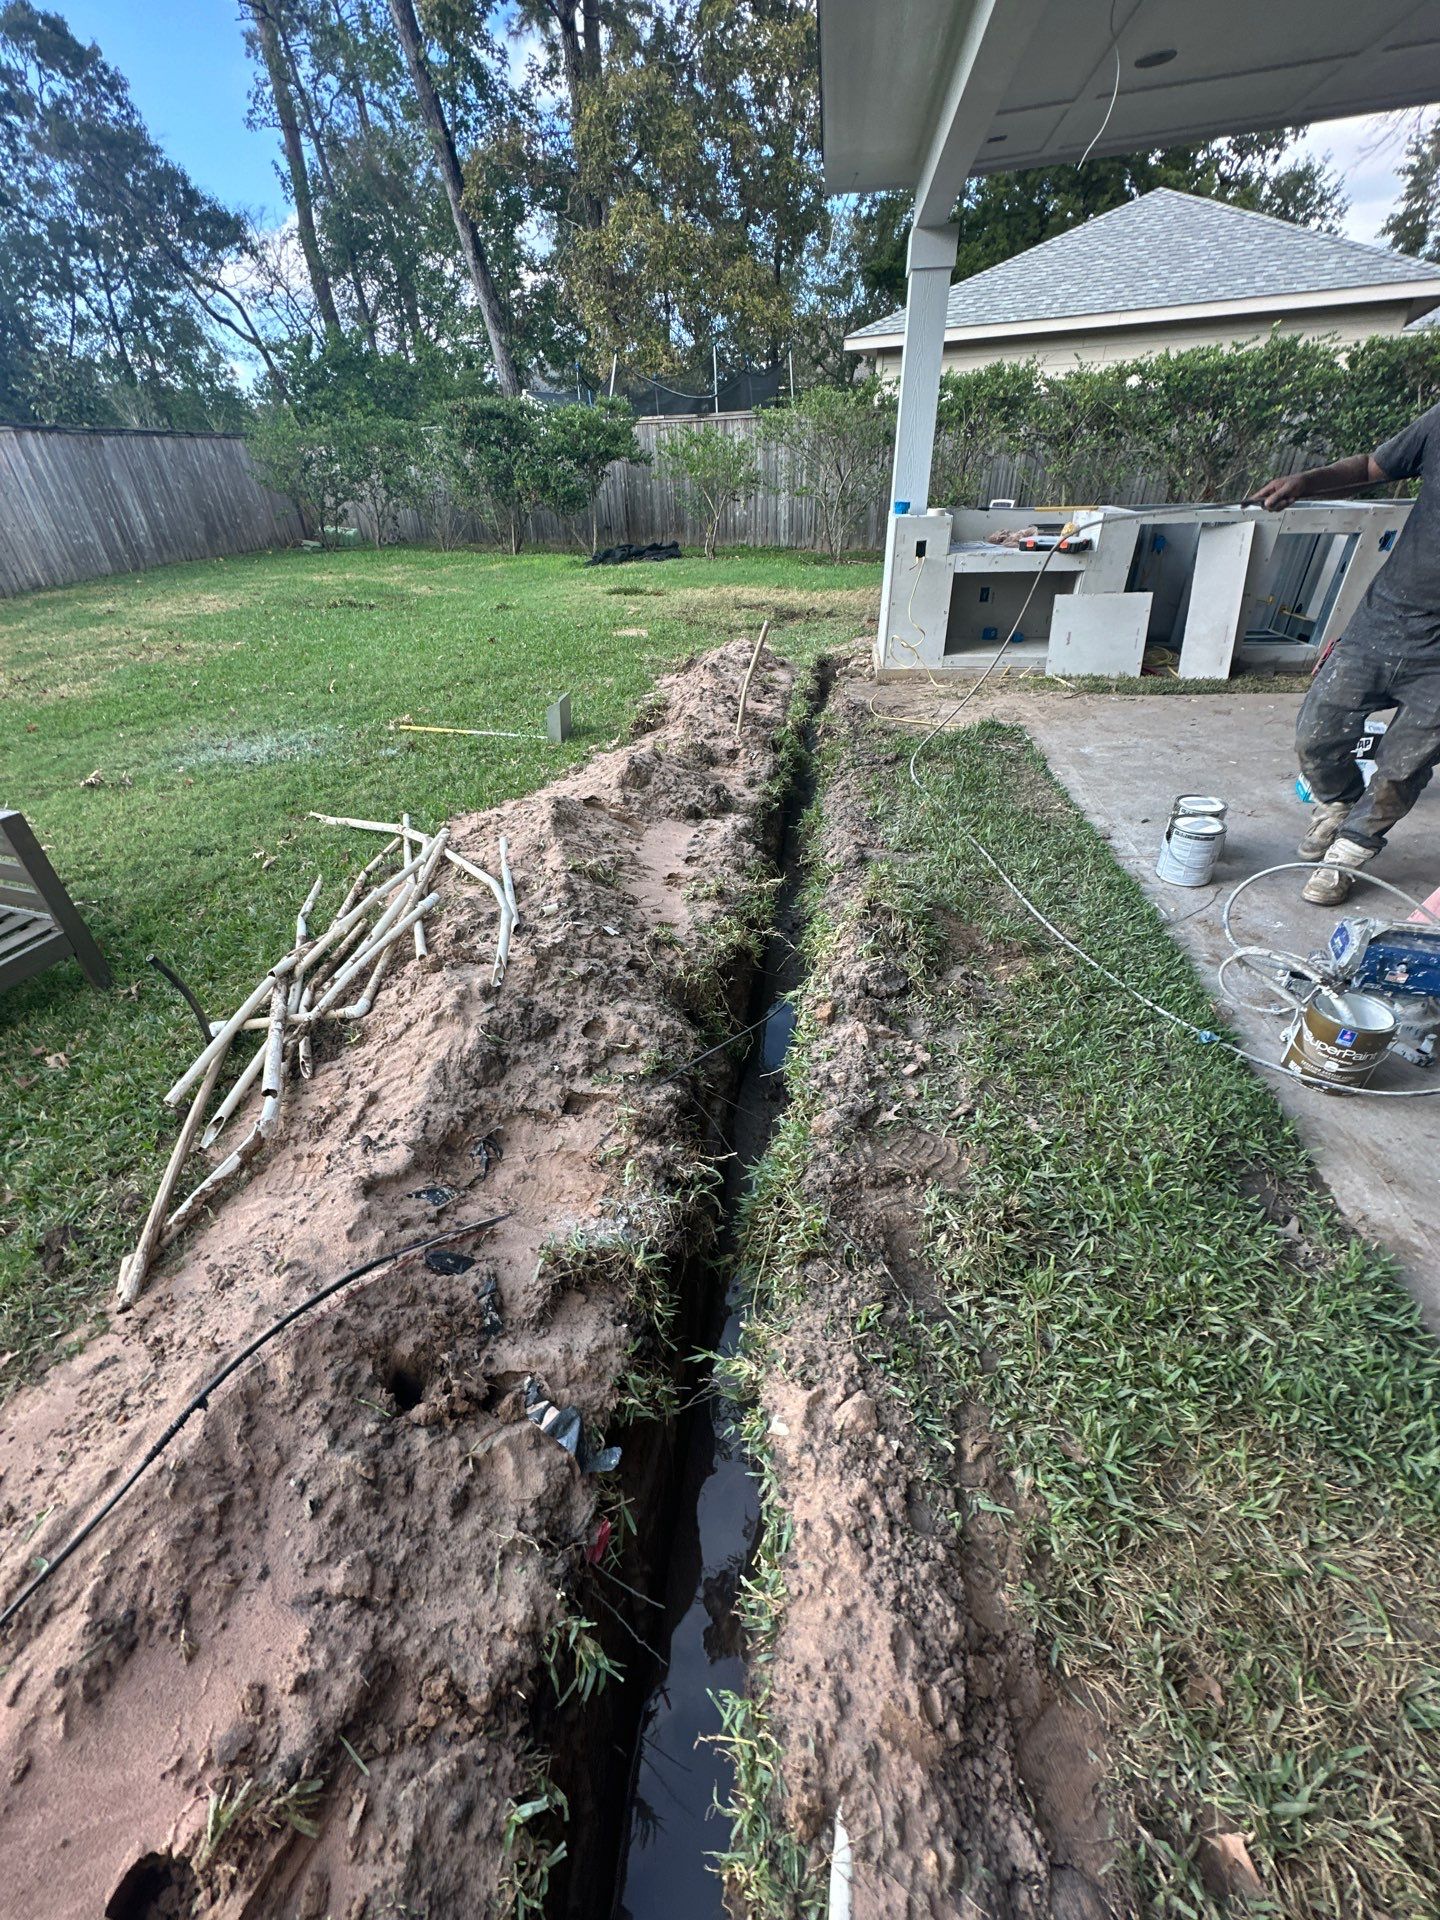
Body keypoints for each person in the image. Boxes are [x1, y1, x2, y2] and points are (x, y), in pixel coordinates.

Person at [1252, 405, 1440, 906]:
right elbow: (1371, 468)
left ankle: (1349, 855)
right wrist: (1305, 482)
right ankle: (1336, 805)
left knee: (1402, 767)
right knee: (1318, 731)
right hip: (1384, 619)